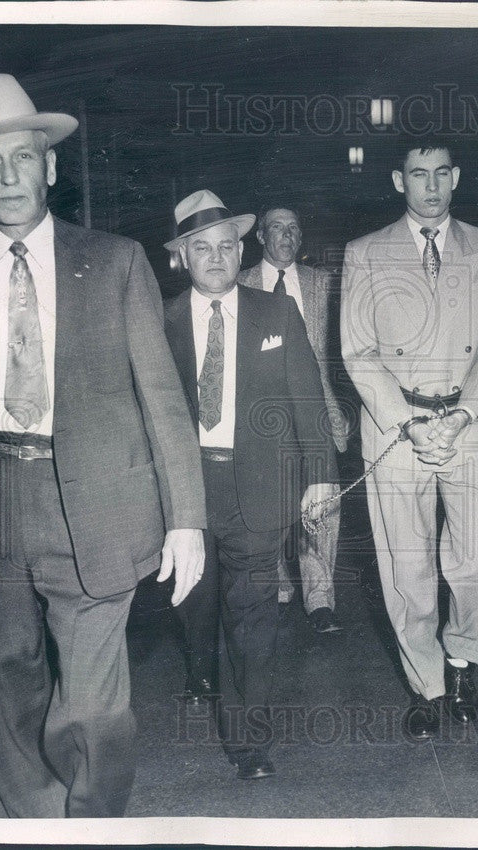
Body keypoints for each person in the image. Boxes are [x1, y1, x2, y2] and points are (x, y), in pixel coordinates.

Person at [0, 74, 206, 817]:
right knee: (2, 703)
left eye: (23, 157)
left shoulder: (113, 262)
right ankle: (30, 829)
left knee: (94, 710)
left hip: (98, 507)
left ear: (49, 166)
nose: (9, 175)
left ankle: (93, 824)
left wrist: (186, 518)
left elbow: (163, 400)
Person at [341, 138, 478, 740]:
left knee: (477, 561)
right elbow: (358, 354)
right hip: (396, 429)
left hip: (470, 426)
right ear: (398, 180)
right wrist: (412, 422)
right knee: (406, 568)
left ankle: (463, 660)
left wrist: (464, 415)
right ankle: (427, 684)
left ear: (457, 177)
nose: (432, 185)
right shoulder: (365, 254)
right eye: (419, 174)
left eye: (443, 173)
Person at [163, 190, 339, 779]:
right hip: (185, 490)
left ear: (242, 250)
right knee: (196, 603)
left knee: (253, 616)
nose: (215, 258)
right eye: (201, 248)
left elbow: (308, 398)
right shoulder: (159, 322)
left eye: (226, 246)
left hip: (261, 487)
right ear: (182, 256)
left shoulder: (274, 313)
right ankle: (200, 671)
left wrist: (318, 475)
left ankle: (247, 741)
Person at [238, 206, 348, 634]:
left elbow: (339, 350)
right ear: (261, 237)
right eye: (278, 229)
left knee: (324, 501)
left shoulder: (324, 283)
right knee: (273, 502)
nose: (287, 236)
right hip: (261, 416)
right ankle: (280, 586)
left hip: (317, 408)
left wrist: (342, 405)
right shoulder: (240, 282)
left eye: (294, 229)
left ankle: (320, 598)